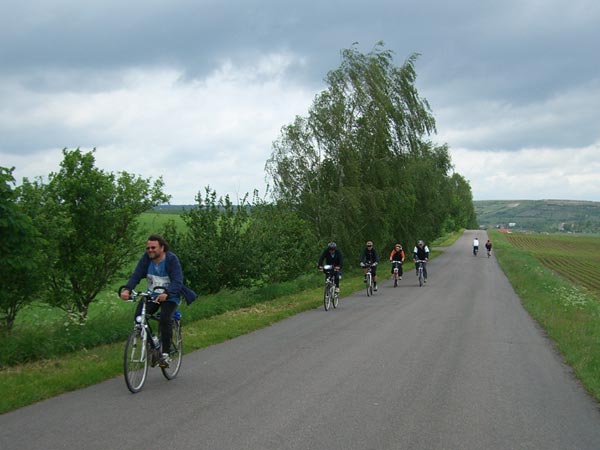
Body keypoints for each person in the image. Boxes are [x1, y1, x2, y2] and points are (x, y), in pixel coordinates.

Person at [120, 234, 196, 367]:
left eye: (153, 247)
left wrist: (167, 293)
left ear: (162, 248)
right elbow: (136, 275)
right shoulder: (146, 260)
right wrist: (127, 289)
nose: (150, 250)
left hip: (170, 295)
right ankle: (153, 344)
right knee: (139, 318)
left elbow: (178, 281)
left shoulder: (171, 260)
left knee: (165, 319)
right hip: (152, 295)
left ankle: (165, 353)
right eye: (148, 248)